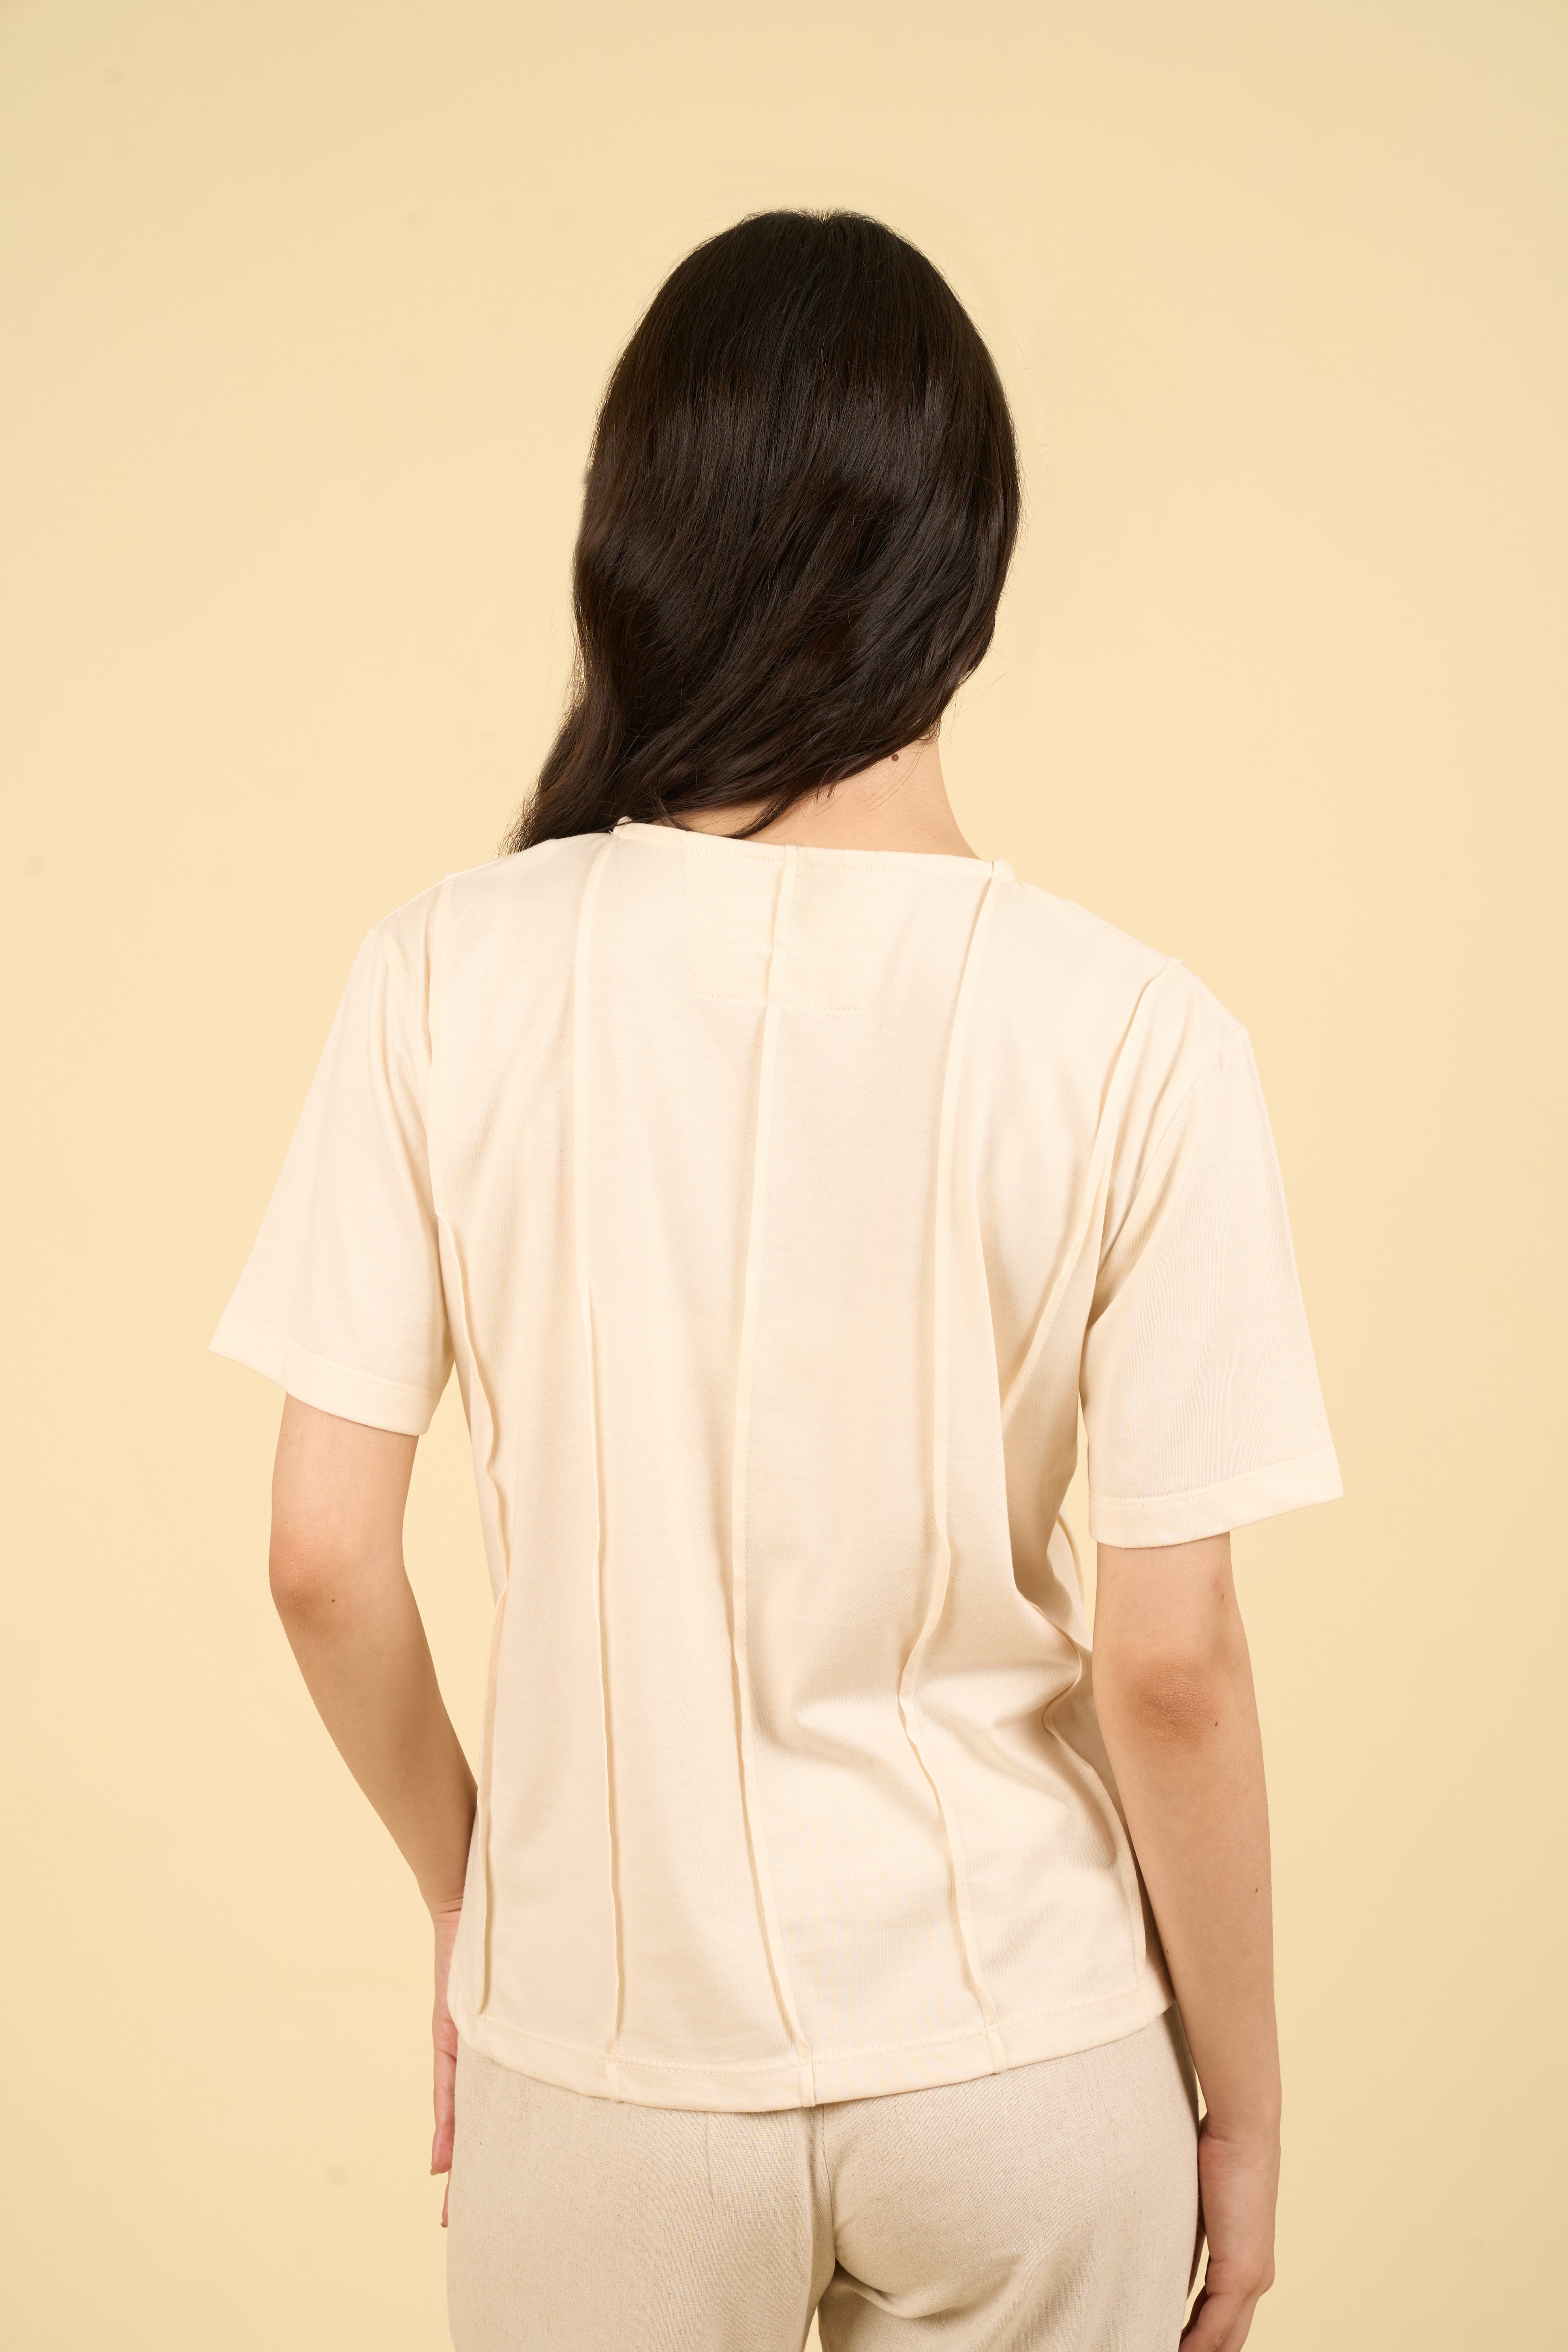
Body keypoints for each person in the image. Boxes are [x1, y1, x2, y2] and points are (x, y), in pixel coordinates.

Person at [211, 210, 1341, 2352]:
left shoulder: (448, 974)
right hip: (1026, 2056)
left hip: (603, 2065)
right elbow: (1174, 1662)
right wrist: (1247, 2108)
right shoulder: (1138, 1037)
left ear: (636, 542)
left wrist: (473, 1893)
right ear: (969, 560)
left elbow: (319, 1557)